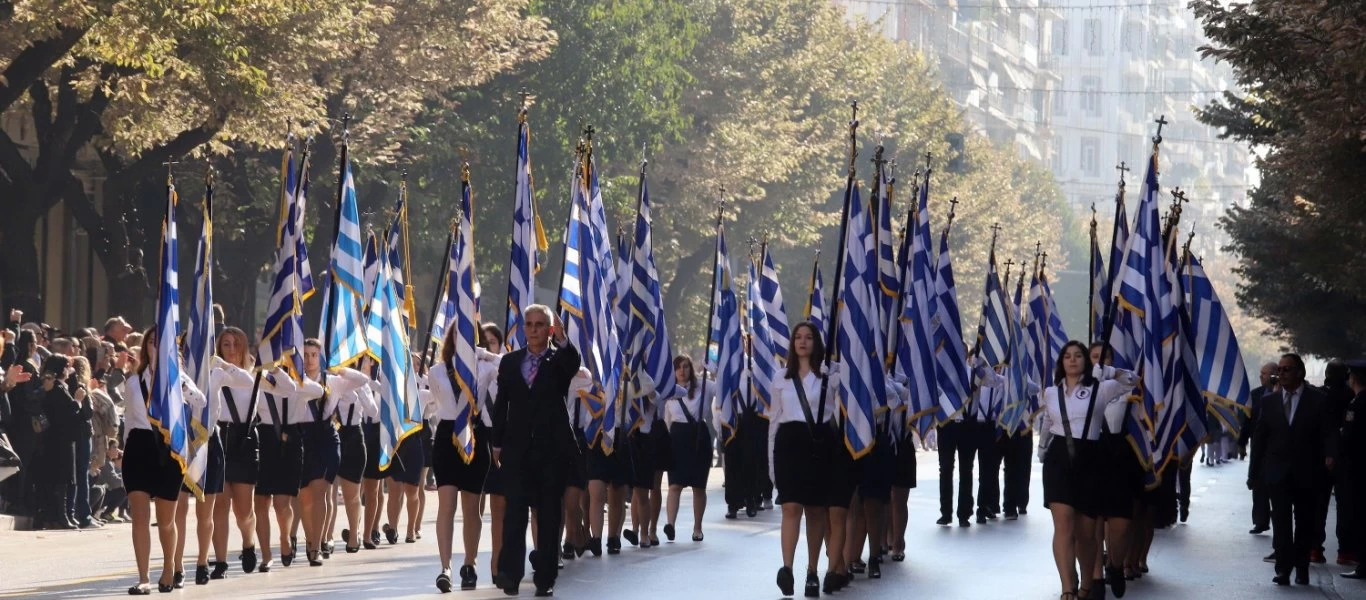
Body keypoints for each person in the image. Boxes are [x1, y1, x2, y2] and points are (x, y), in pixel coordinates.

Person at [490, 304, 581, 597]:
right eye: (528, 324)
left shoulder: (560, 361)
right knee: (514, 512)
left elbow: (573, 360)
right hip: (517, 451)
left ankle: (545, 578)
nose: (533, 329)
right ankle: (509, 574)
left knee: (548, 514)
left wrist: (564, 338)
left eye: (539, 324)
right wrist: (497, 442)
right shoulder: (510, 362)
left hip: (551, 452)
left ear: (550, 330)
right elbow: (501, 402)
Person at [1037, 341, 1136, 600]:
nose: (1072, 360)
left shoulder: (1101, 389)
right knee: (1063, 525)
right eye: (1067, 356)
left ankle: (1086, 585)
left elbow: (1133, 380)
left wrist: (1112, 371)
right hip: (1059, 458)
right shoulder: (1050, 392)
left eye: (1078, 355)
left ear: (1087, 361)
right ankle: (1067, 588)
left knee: (1086, 533)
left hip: (1090, 458)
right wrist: (1041, 446)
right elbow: (1048, 420)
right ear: (1061, 362)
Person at [122, 328, 207, 594]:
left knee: (166, 519)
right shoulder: (134, 381)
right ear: (145, 347)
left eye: (161, 342)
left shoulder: (178, 377)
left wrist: (180, 386)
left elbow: (200, 401)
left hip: (168, 450)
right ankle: (143, 577)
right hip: (139, 447)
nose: (155, 346)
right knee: (139, 516)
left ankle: (170, 567)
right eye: (151, 341)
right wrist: (124, 449)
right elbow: (128, 419)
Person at [1249, 353, 1337, 586]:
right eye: (1280, 369)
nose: (1282, 374)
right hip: (1277, 472)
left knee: (1304, 521)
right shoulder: (1269, 402)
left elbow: (1328, 431)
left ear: (1300, 372)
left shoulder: (1317, 400)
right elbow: (1259, 438)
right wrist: (1253, 473)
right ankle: (1283, 569)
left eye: (1287, 369)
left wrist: (1330, 455)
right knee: (1280, 522)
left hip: (1307, 471)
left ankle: (1302, 567)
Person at [426, 323, 502, 592]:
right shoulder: (436, 370)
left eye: (471, 335)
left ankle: (470, 563)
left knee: (472, 507)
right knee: (447, 505)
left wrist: (486, 354)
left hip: (476, 433)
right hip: (447, 437)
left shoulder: (485, 368)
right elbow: (439, 402)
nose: (465, 340)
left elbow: (508, 368)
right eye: (460, 335)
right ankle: (445, 567)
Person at [769, 322, 835, 598]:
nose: (802, 342)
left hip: (818, 443)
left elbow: (838, 416)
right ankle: (787, 568)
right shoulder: (780, 377)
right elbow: (773, 423)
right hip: (788, 444)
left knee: (816, 510)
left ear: (816, 343)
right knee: (790, 507)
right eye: (798, 337)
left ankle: (812, 571)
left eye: (808, 337)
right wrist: (771, 464)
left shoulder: (829, 375)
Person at [297, 338, 368, 566]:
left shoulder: (334, 381)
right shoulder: (295, 380)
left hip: (327, 436)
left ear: (321, 357)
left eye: (314, 355)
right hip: (303, 437)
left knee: (319, 493)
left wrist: (340, 368)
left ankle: (316, 545)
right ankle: (309, 540)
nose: (310, 359)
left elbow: (362, 379)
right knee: (305, 497)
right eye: (306, 355)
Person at [252, 356, 323, 572]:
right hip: (264, 438)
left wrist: (283, 376)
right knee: (261, 501)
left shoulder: (297, 383)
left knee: (282, 504)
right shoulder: (258, 380)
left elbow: (319, 392)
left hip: (290, 440)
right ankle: (265, 556)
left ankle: (284, 537)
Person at [664, 356, 712, 544]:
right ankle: (670, 525)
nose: (682, 371)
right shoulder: (669, 390)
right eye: (678, 368)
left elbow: (724, 387)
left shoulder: (704, 385)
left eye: (685, 367)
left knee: (698, 487)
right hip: (677, 437)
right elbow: (666, 417)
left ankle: (697, 527)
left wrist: (713, 366)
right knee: (674, 485)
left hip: (699, 436)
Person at [333, 357, 378, 555]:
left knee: (352, 494)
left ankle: (354, 535)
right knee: (329, 492)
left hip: (353, 436)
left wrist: (359, 390)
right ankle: (326, 537)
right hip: (332, 434)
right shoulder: (331, 380)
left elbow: (373, 411)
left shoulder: (360, 383)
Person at [36, 354, 80, 529]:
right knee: (61, 478)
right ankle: (59, 516)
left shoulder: (58, 386)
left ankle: (56, 515)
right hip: (60, 439)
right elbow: (67, 412)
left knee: (57, 478)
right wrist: (77, 400)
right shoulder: (58, 388)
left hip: (54, 439)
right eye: (67, 367)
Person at [1242, 362, 1278, 534]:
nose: (1261, 376)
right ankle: (1260, 521)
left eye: (1264, 374)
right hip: (1259, 446)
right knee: (1258, 483)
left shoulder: (1281, 394)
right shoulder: (1255, 395)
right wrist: (1241, 443)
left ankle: (1276, 519)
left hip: (1277, 448)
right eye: (1261, 373)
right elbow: (1247, 420)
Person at [1339, 360, 1366, 579]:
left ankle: (1363, 564)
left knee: (1358, 516)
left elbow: (1349, 437)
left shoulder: (1358, 404)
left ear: (1354, 378)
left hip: (1357, 470)